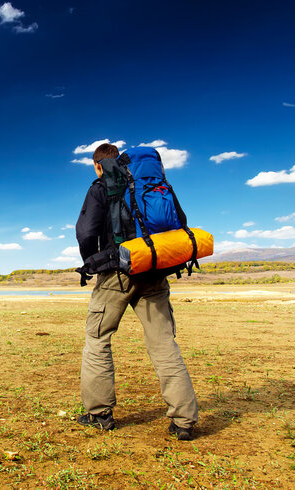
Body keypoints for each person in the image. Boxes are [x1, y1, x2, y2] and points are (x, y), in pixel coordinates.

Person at [75, 143, 198, 440]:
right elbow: (180, 223)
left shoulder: (101, 186)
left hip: (115, 274)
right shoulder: (155, 184)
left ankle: (99, 413)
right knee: (164, 343)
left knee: (98, 338)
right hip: (154, 271)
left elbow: (86, 232)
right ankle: (184, 420)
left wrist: (93, 262)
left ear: (97, 165)